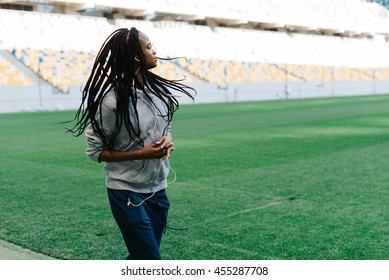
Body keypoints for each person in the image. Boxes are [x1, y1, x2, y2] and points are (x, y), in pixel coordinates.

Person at [68, 27, 195, 260]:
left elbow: (165, 126)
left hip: (158, 189)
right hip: (126, 191)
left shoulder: (157, 90)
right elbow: (95, 152)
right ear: (135, 56)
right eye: (148, 47)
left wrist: (167, 139)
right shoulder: (111, 99)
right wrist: (143, 153)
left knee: (141, 259)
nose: (154, 51)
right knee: (150, 261)